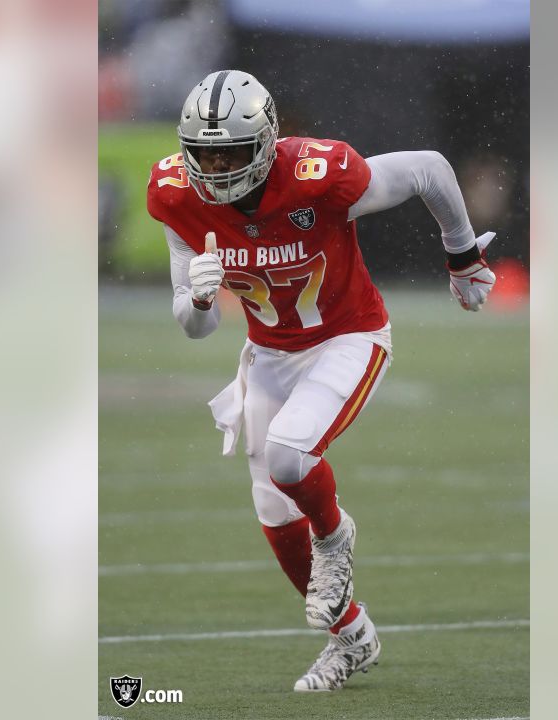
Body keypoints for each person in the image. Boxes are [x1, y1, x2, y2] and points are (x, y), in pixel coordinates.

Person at [145, 70, 496, 692]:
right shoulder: (176, 194)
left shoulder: (319, 174)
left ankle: (335, 538)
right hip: (270, 350)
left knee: (289, 455)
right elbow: (193, 328)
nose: (218, 169)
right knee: (273, 507)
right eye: (205, 154)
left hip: (347, 336)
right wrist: (198, 302)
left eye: (232, 152)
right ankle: (351, 638)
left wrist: (462, 254)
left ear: (266, 142)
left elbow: (430, 169)